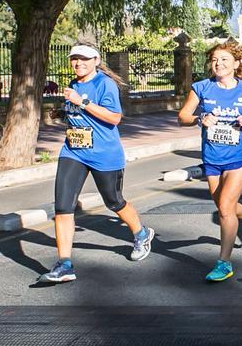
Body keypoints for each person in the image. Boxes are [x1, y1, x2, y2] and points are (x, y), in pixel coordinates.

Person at [37, 45, 154, 283]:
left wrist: (81, 102)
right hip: (73, 151)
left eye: (84, 59)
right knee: (63, 207)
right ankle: (64, 264)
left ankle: (141, 234)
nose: (78, 63)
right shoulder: (74, 84)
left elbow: (114, 117)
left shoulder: (105, 84)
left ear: (96, 60)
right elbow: (78, 113)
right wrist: (65, 112)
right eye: (75, 59)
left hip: (104, 154)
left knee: (114, 201)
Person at [178, 40, 242, 282]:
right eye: (215, 59)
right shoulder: (201, 88)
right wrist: (201, 118)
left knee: (226, 206)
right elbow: (183, 116)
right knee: (222, 205)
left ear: (236, 63)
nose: (219, 63)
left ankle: (224, 263)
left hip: (239, 157)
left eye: (225, 59)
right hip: (212, 157)